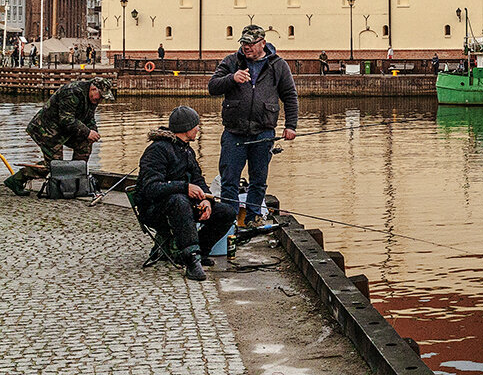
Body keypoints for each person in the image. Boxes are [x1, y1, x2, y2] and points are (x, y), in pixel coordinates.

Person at [133, 105, 238, 281]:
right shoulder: (157, 150)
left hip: (184, 206)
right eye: (196, 125)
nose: (198, 128)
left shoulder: (187, 150)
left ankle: (201, 251)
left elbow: (198, 179)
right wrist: (184, 187)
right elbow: (151, 188)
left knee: (227, 212)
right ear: (187, 128)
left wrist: (206, 200)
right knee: (178, 201)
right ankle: (191, 260)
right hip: (155, 209)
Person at [208, 25, 298, 227]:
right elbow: (212, 86)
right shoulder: (231, 62)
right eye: (243, 43)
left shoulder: (278, 65)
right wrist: (232, 78)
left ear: (263, 43)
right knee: (229, 178)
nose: (246, 47)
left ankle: (252, 218)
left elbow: (290, 96)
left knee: (258, 179)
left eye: (250, 43)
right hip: (234, 132)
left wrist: (291, 125)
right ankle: (228, 222)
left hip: (263, 131)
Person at [4, 76, 115, 195]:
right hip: (45, 129)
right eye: (101, 96)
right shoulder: (72, 92)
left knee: (85, 144)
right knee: (54, 165)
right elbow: (66, 120)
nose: (101, 100)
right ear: (93, 89)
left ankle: (74, 182)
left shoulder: (92, 99)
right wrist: (87, 132)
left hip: (64, 130)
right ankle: (17, 179)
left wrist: (93, 132)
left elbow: (89, 118)